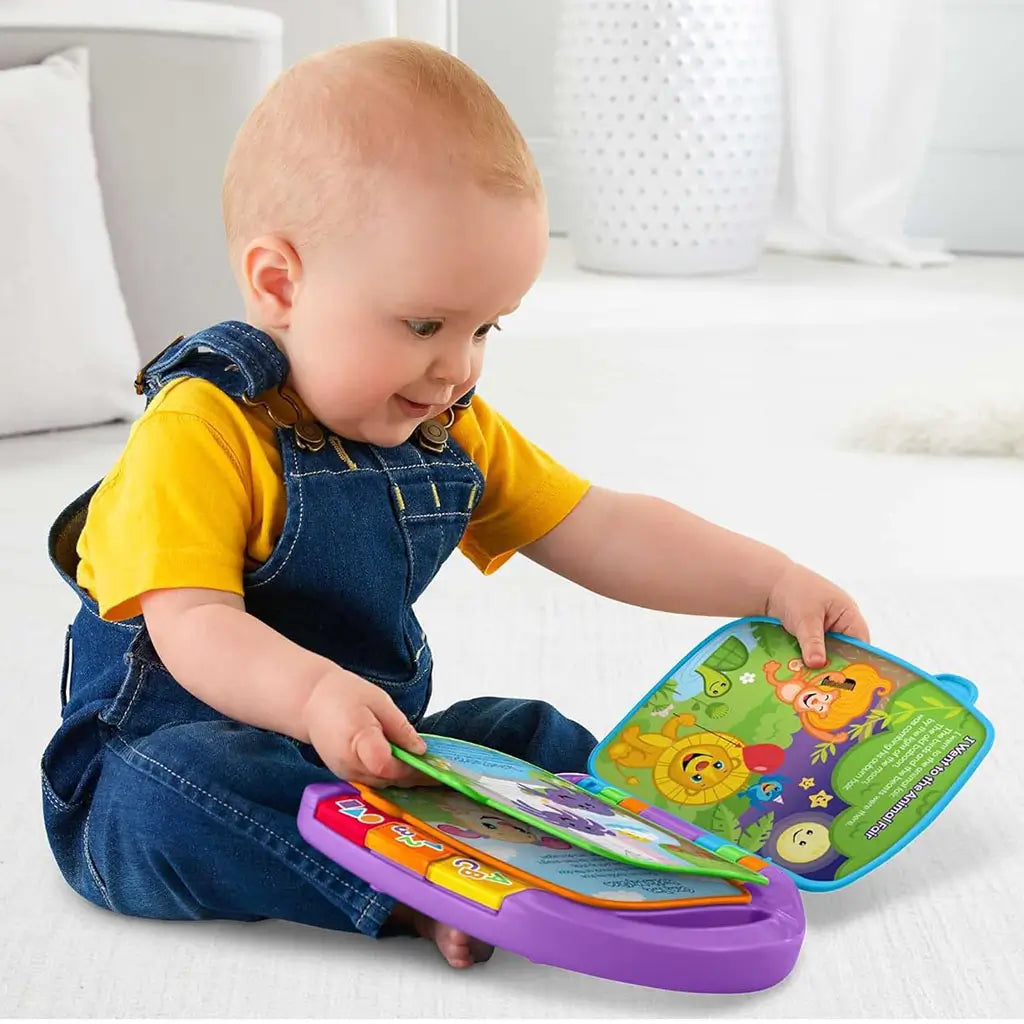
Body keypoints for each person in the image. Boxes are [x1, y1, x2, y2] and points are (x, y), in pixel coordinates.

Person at [41, 39, 869, 969]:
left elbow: (595, 524)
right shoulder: (201, 427)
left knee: (529, 735)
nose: (459, 366)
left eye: (487, 328)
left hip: (370, 753)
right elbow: (193, 625)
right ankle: (413, 892)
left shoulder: (445, 422)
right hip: (161, 755)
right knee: (171, 797)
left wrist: (768, 581)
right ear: (280, 283)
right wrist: (316, 698)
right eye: (427, 325)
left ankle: (644, 843)